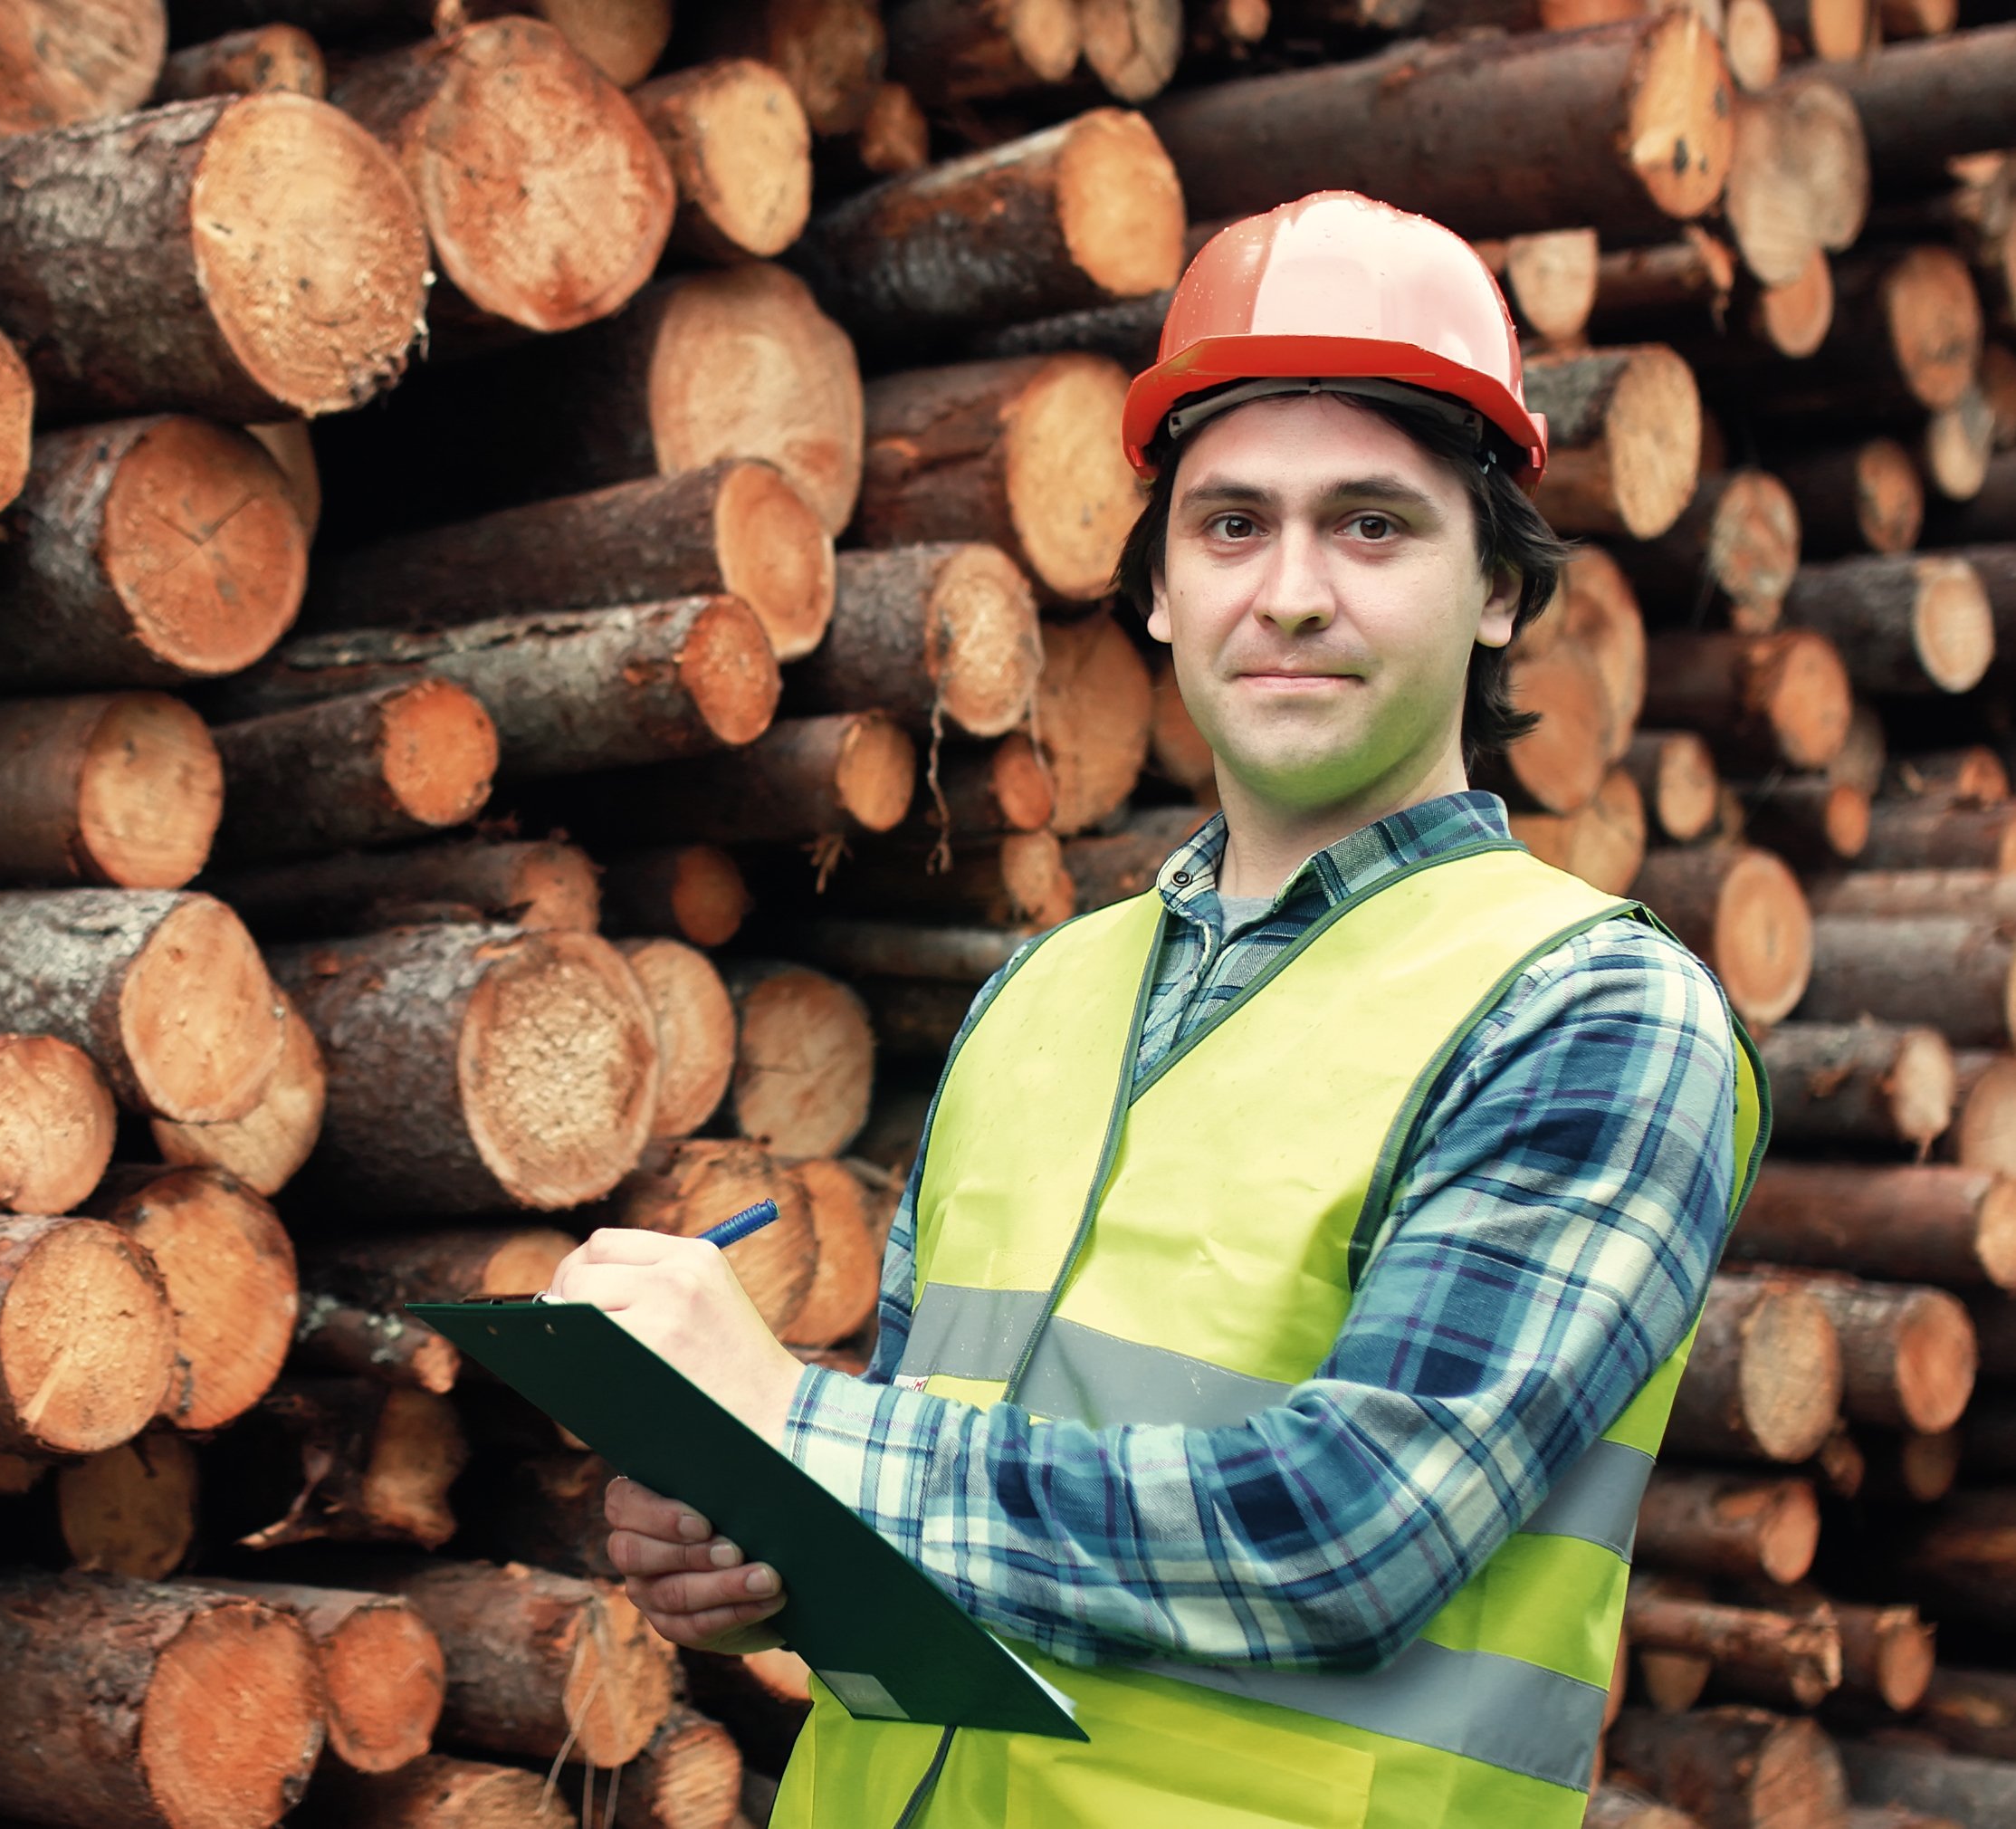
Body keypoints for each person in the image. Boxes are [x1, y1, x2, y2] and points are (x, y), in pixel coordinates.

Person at [543, 189, 1766, 1828]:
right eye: (1233, 525)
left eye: (1376, 525)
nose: (1295, 592)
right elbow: (948, 1519)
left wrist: (797, 1423)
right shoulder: (1044, 993)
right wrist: (769, 1561)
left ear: (1498, 593)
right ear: (1164, 594)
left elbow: (1350, 1530)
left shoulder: (1592, 1011)